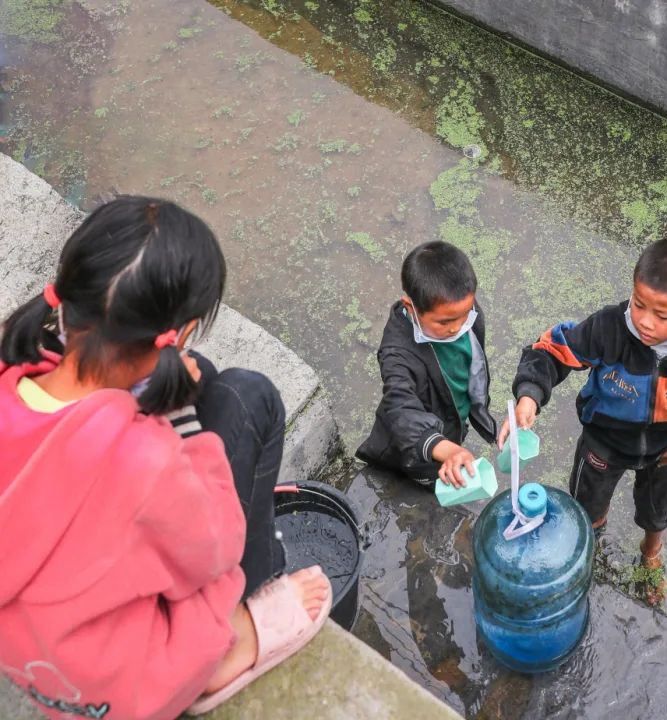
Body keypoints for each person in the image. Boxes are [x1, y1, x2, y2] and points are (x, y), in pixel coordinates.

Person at [0, 197, 331, 720]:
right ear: (178, 332)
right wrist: (179, 425)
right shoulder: (146, 460)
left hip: (26, 642)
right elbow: (216, 548)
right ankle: (230, 644)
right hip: (115, 684)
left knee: (207, 375)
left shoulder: (13, 374)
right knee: (250, 396)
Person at [501, 237, 667, 593]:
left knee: (656, 508)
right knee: (587, 504)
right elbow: (553, 349)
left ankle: (651, 552)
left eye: (661, 315)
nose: (644, 322)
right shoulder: (609, 329)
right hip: (602, 442)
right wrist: (530, 395)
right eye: (638, 304)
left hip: (661, 452)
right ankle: (588, 545)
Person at [356, 241, 497, 488]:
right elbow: (400, 408)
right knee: (429, 477)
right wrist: (443, 448)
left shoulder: (462, 310)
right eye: (445, 322)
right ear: (411, 307)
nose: (458, 326)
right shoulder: (397, 354)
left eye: (466, 314)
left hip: (453, 417)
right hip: (416, 442)